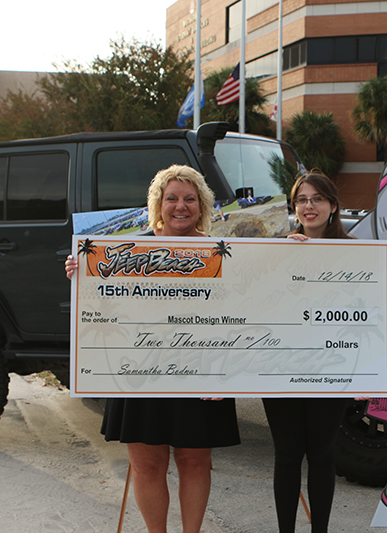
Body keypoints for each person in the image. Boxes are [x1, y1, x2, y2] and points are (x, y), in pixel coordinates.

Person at [66, 164, 240, 533]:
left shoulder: (223, 252)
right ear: (158, 204)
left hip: (200, 370)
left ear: (201, 204)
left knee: (194, 462)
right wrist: (80, 270)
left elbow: (245, 308)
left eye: (189, 198)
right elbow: (99, 304)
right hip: (138, 370)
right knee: (147, 466)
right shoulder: (125, 250)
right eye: (172, 198)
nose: (181, 206)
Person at [262, 170, 351, 533]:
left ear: (332, 205)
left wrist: (369, 371)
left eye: (317, 198)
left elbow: (370, 315)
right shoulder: (274, 251)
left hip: (330, 365)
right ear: (294, 207)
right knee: (286, 454)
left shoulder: (358, 253)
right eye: (301, 199)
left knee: (322, 454)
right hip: (280, 365)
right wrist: (281, 258)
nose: (309, 206)